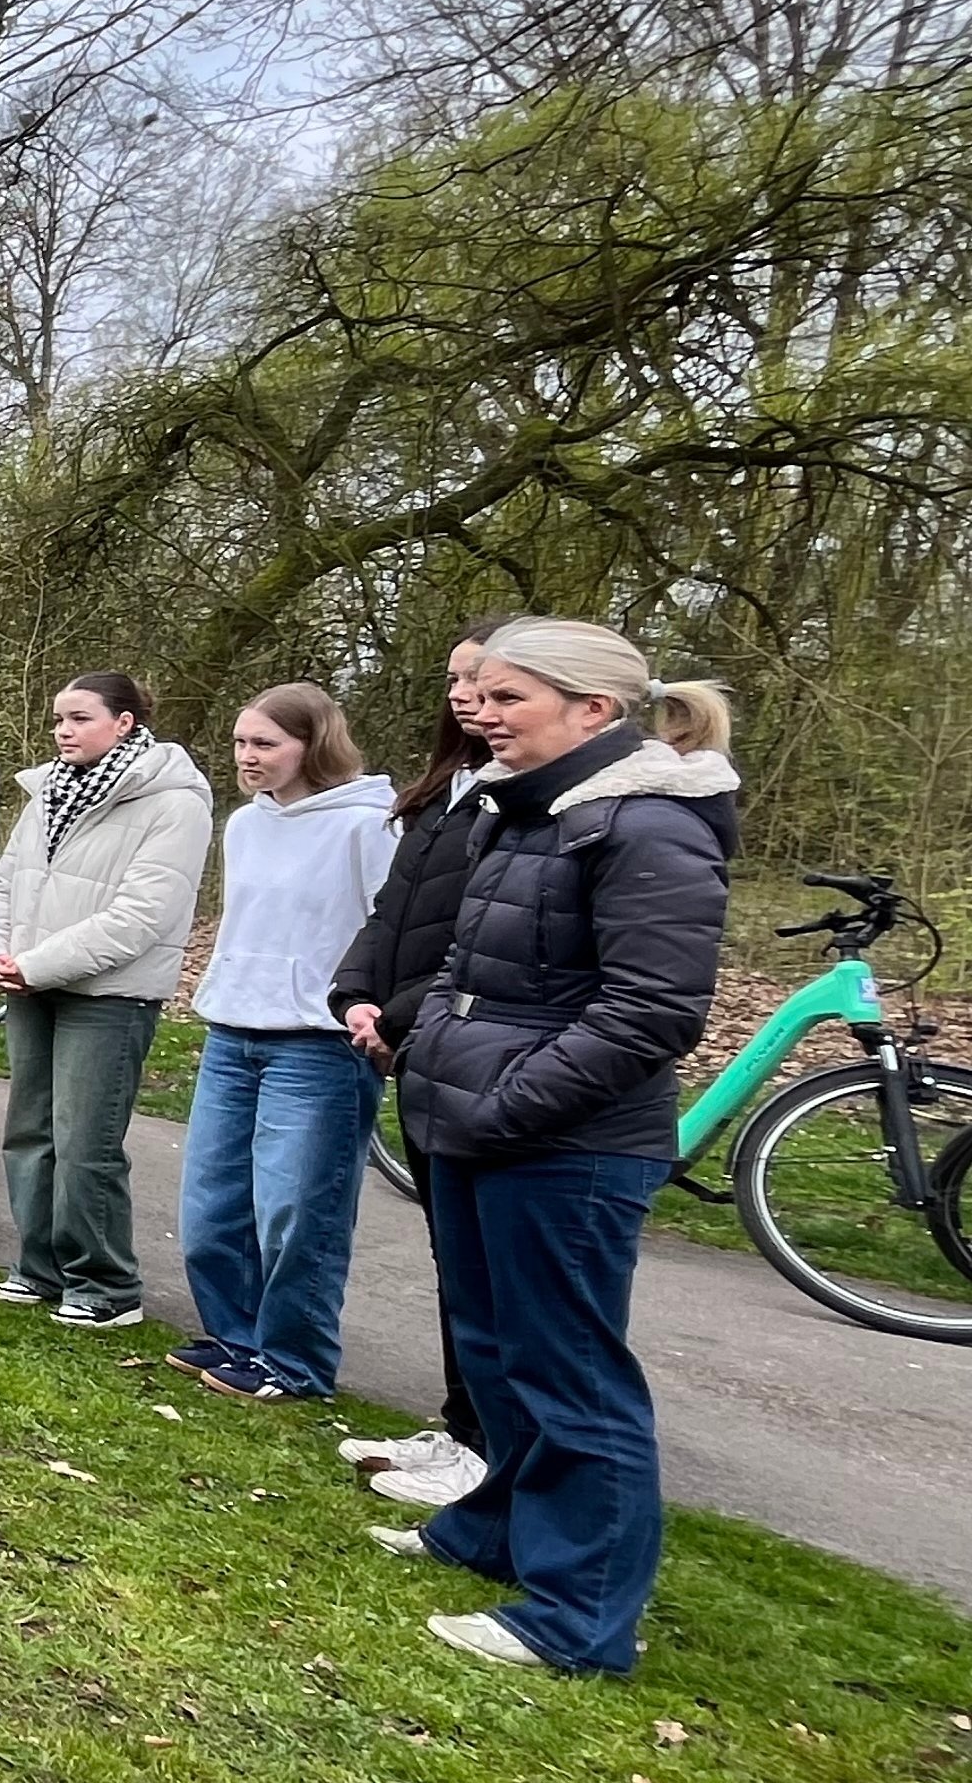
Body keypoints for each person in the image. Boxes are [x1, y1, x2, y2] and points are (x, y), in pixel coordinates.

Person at [370, 619, 733, 1676]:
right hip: (476, 1124)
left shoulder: (648, 826)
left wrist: (504, 1105)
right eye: (476, 692)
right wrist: (433, 1047)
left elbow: (651, 1014)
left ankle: (578, 1618)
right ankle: (490, 1533)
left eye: (506, 697)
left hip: (565, 1147)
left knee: (569, 1372)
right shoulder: (518, 811)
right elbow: (468, 965)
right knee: (495, 1356)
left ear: (593, 712)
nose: (478, 711)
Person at [330, 615, 518, 1508]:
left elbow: (479, 939)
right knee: (459, 1259)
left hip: (459, 1039)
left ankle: (490, 1448)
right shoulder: (447, 789)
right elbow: (393, 910)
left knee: (494, 1273)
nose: (463, 693)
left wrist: (398, 1014)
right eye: (454, 678)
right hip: (418, 1043)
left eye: (482, 678)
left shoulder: (526, 800)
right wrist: (356, 995)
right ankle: (459, 1427)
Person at [0, 670, 212, 1331]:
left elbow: (142, 914)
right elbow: (8, 880)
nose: (62, 731)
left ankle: (105, 1280)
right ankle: (40, 1264)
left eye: (78, 718)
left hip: (109, 994)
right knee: (30, 1129)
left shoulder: (173, 800)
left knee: (85, 1140)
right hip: (30, 983)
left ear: (124, 723)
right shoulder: (47, 791)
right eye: (57, 720)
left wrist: (37, 964)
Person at [171, 684, 396, 1403]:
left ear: (314, 744)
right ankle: (236, 1336)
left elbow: (386, 929)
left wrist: (372, 1009)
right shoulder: (244, 825)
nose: (248, 757)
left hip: (319, 1042)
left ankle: (295, 1360)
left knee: (299, 1211)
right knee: (211, 1208)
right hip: (234, 1030)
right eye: (241, 743)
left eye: (265, 744)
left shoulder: (369, 824)